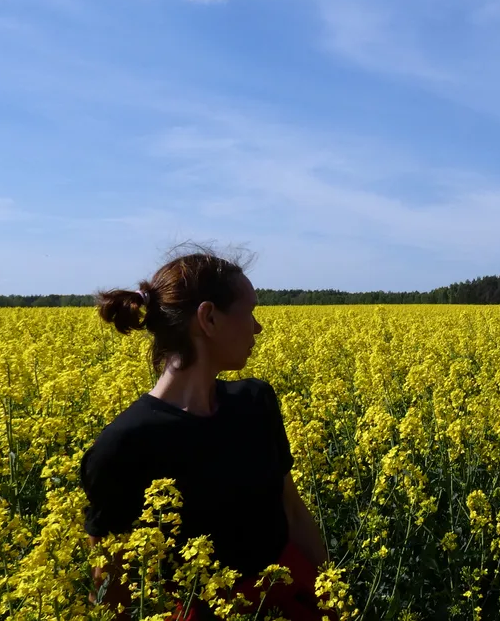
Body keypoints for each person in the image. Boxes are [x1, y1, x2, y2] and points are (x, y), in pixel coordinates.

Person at [79, 249, 331, 620]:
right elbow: (111, 588)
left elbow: (293, 513)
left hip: (290, 600)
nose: (257, 327)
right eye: (249, 313)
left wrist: (331, 594)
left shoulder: (256, 402)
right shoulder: (123, 445)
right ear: (209, 318)